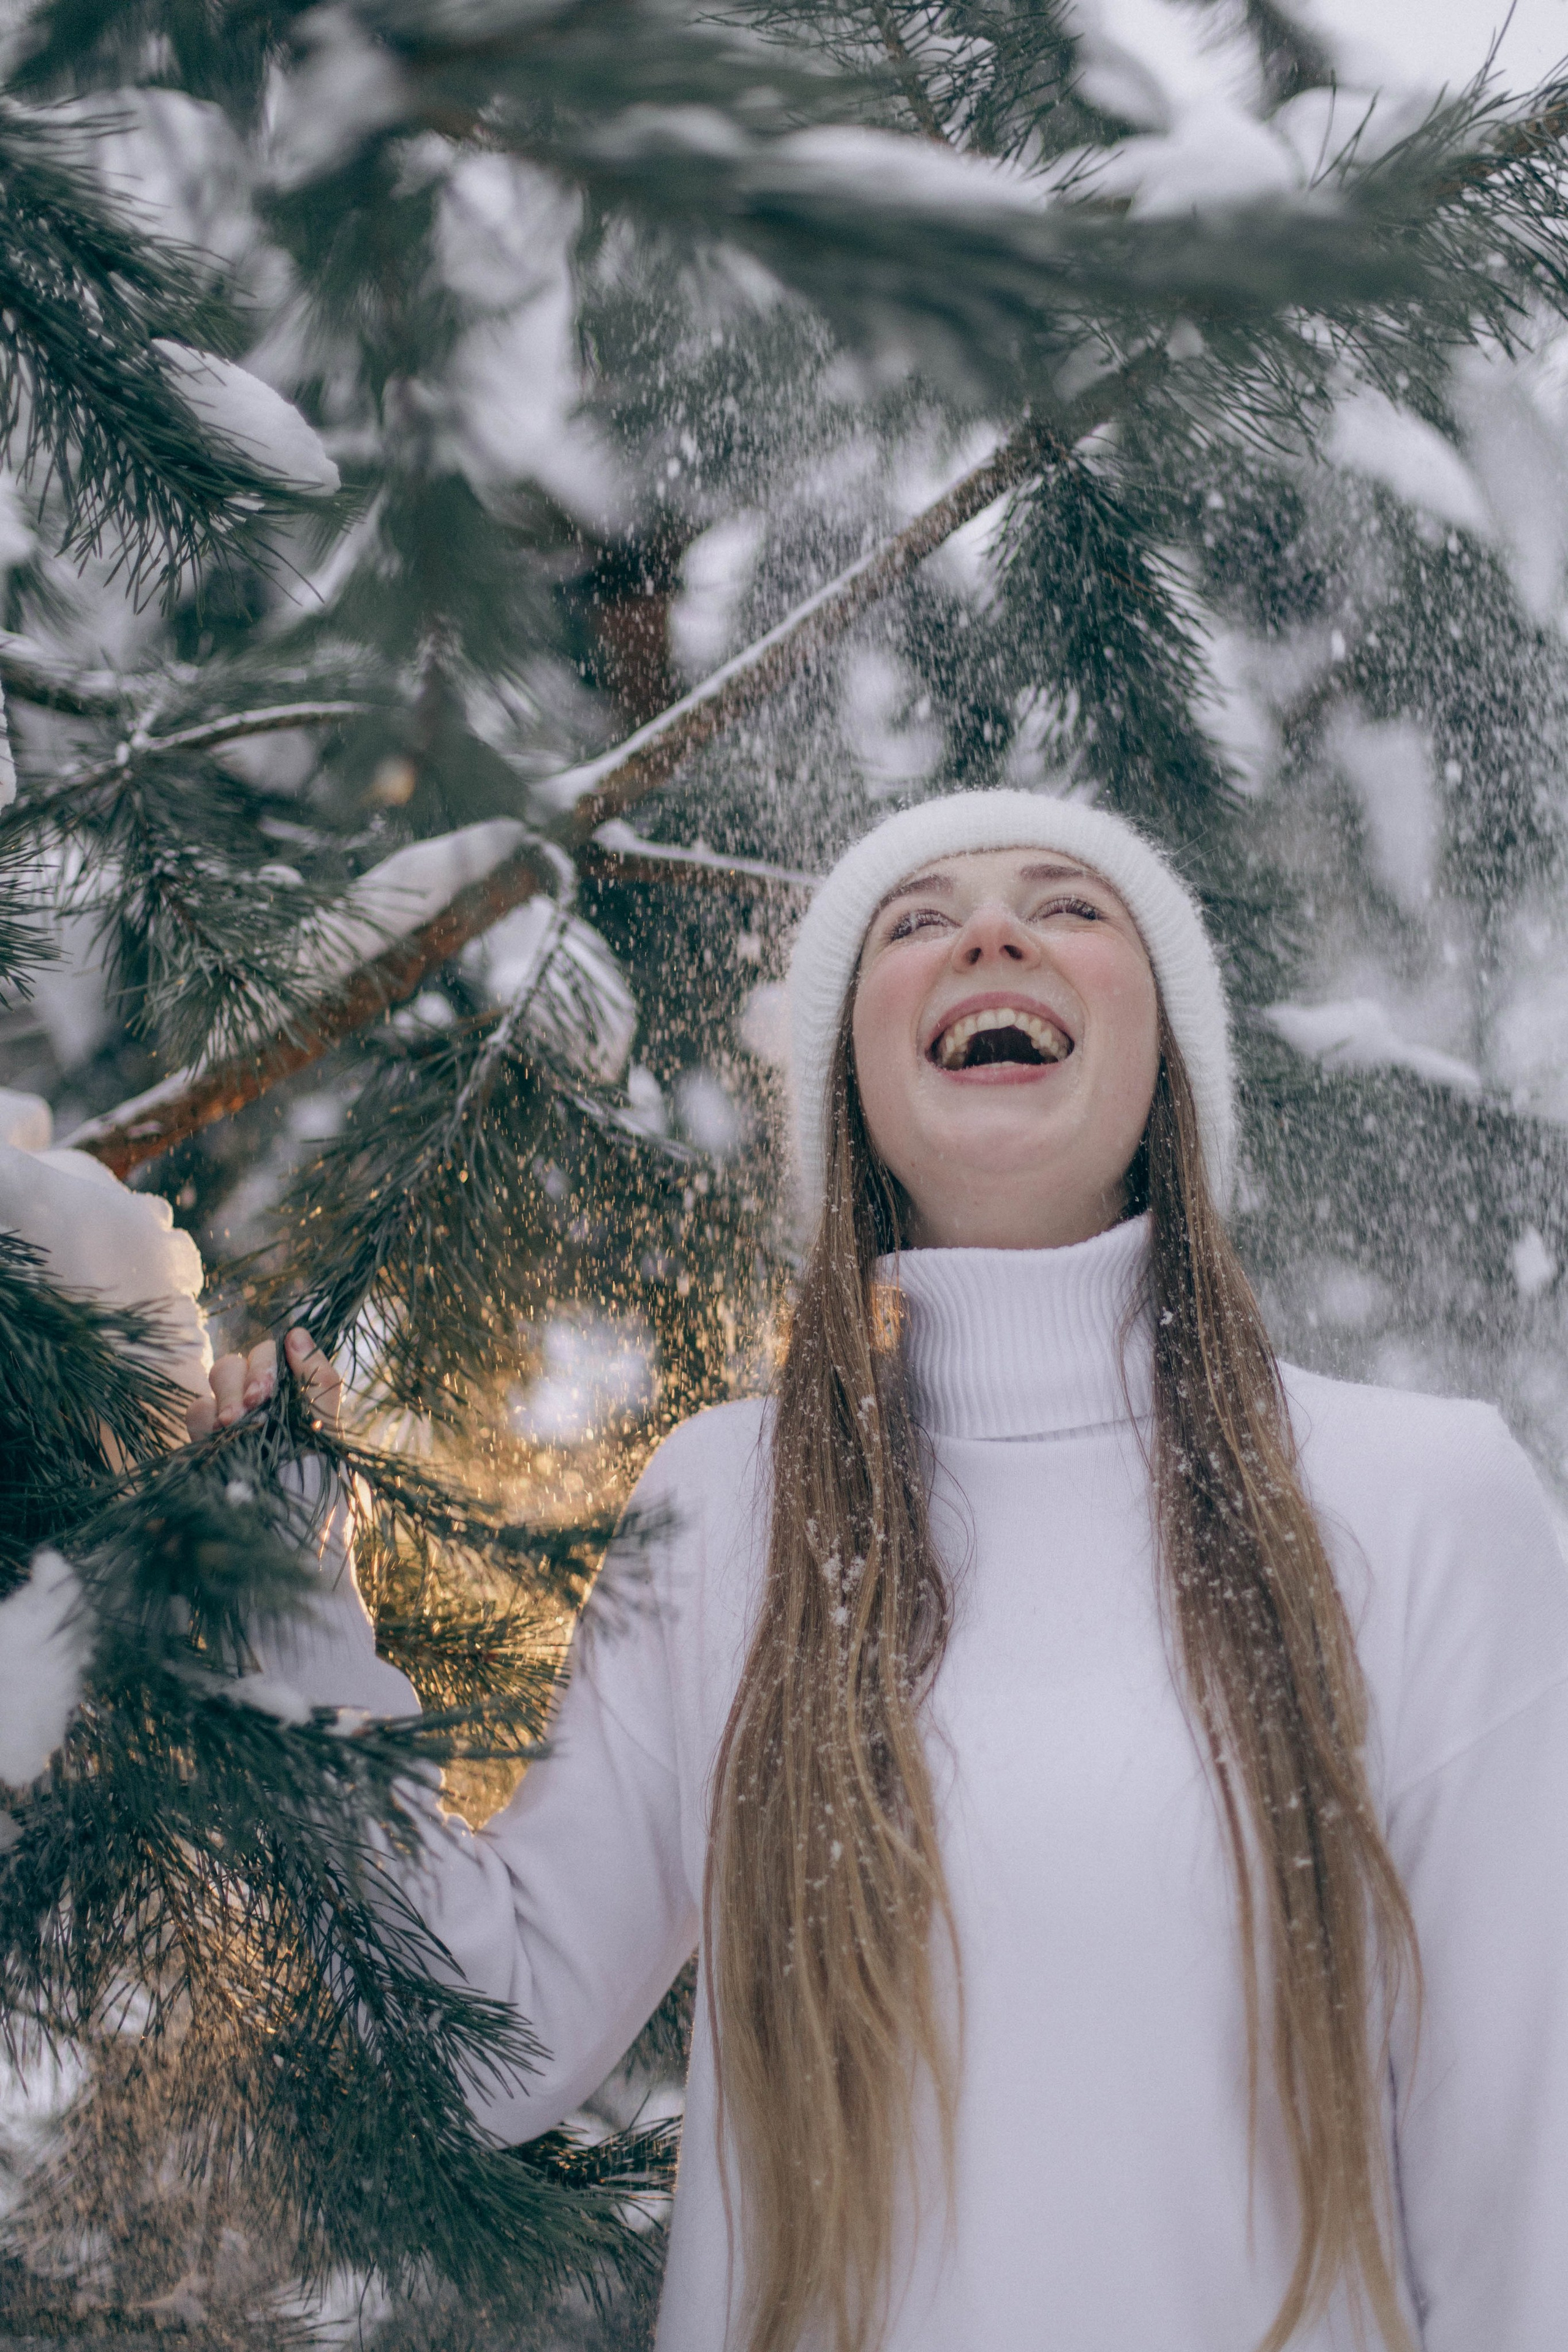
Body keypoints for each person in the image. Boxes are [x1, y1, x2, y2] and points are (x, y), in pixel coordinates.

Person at [206, 790, 1568, 2352]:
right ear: (848, 1083)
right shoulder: (731, 1506)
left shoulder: (1423, 1505)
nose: (990, 933)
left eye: (1069, 907)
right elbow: (485, 2049)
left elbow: (1522, 2205)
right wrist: (284, 1597)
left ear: (1170, 1060)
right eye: (914, 925)